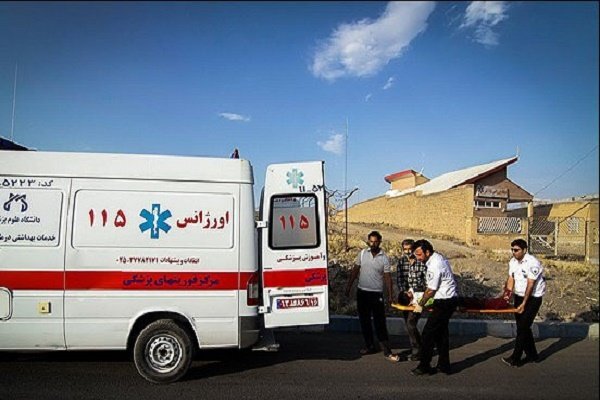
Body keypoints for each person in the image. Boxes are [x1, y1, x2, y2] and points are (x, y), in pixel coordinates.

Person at [345, 231, 401, 362]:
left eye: (376, 241)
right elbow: (355, 270)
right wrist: (348, 287)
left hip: (376, 294)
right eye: (371, 241)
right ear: (368, 241)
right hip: (362, 293)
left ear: (380, 242)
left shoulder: (384, 258)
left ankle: (387, 352)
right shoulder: (362, 254)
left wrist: (390, 295)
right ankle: (370, 346)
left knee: (379, 323)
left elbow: (387, 278)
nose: (373, 244)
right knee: (364, 322)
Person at [410, 239, 458, 376]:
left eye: (419, 255)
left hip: (445, 302)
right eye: (416, 255)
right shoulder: (436, 259)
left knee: (428, 334)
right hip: (445, 299)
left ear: (427, 252)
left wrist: (420, 304)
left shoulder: (435, 264)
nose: (418, 258)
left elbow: (431, 289)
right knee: (441, 334)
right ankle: (444, 365)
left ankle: (424, 365)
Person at [501, 238, 546, 367]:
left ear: (524, 250)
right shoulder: (513, 262)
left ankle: (515, 358)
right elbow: (511, 279)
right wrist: (507, 296)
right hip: (519, 296)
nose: (514, 252)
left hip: (533, 298)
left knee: (522, 328)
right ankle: (533, 355)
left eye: (516, 250)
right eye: (512, 250)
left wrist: (524, 304)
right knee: (523, 327)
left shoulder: (533, 263)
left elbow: (530, 285)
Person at [396, 238, 427, 361]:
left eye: (410, 249)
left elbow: (426, 280)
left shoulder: (421, 262)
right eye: (405, 249)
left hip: (419, 297)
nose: (408, 252)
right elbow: (400, 279)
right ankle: (420, 347)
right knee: (409, 324)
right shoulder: (401, 262)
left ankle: (417, 350)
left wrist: (414, 292)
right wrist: (405, 292)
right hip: (405, 297)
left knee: (411, 322)